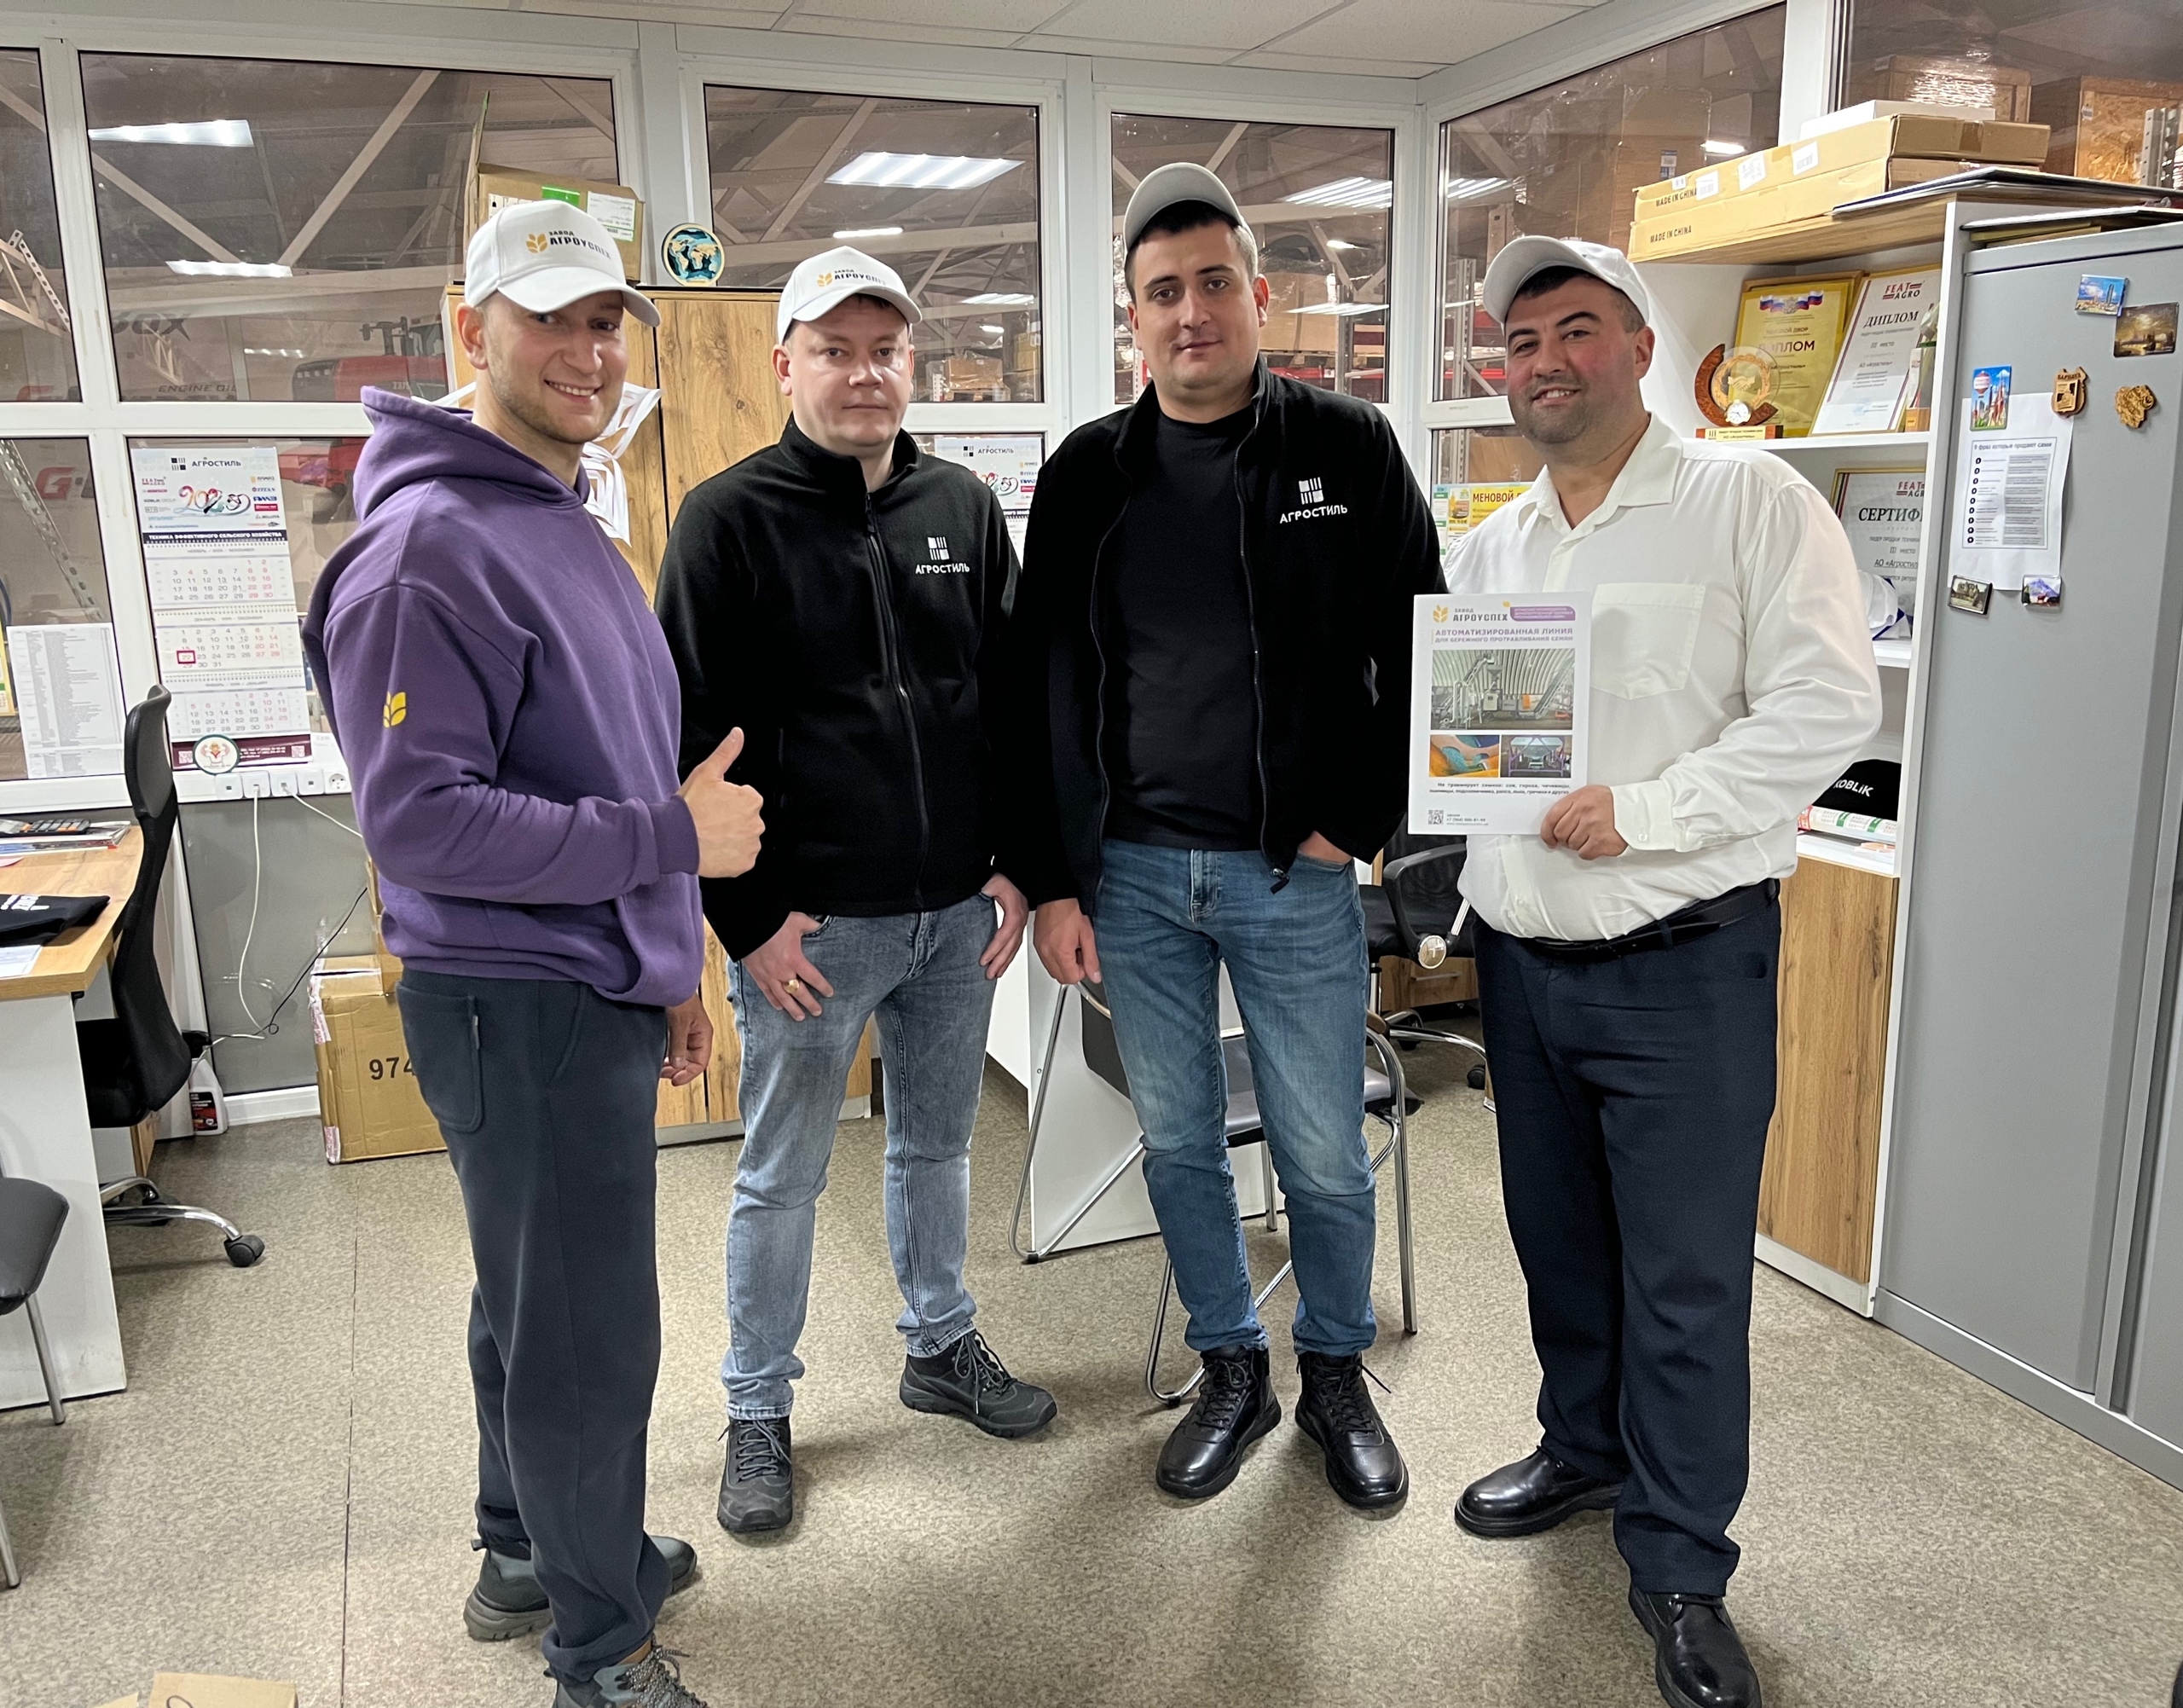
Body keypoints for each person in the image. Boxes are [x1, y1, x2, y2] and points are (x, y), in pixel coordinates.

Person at [303, 200, 763, 1708]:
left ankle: (531, 1551)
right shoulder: (427, 552)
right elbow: (421, 824)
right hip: (518, 999)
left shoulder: (558, 514)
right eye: (548, 316)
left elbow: (600, 758)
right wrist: (671, 844)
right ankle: (601, 1650)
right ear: (470, 328)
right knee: (585, 1335)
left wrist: (669, 962)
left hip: (583, 982)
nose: (586, 348)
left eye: (604, 320)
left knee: (533, 1296)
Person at [1444, 236, 1881, 1708]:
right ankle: (1583, 1450)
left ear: (1640, 347)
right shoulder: (1494, 549)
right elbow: (1480, 752)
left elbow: (1828, 707)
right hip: (1524, 969)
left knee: (1685, 1282)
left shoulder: (1749, 504)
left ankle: (1682, 1561)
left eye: (1576, 330)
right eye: (1522, 343)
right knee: (1560, 1248)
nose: (1545, 362)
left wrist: (1651, 810)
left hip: (1684, 969)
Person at [1010, 164, 1439, 1508]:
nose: (1189, 311)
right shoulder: (1086, 473)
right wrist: (1057, 878)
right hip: (1132, 876)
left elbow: (1424, 646)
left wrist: (1352, 824)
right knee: (1182, 1141)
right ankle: (1231, 1368)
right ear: (1131, 318)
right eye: (1161, 292)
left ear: (1258, 295)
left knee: (1321, 1148)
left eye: (1212, 283)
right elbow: (1043, 687)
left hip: (1289, 875)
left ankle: (1335, 1374)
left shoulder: (1347, 448)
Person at [655, 246, 1054, 1538]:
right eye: (835, 350)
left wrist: (1017, 864)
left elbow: (1006, 701)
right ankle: (757, 1407)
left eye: (885, 350)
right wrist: (748, 923)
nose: (864, 373)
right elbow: (688, 742)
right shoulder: (726, 521)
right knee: (781, 1175)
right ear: (787, 366)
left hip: (953, 919)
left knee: (937, 1146)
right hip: (812, 930)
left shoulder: (960, 507)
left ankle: (940, 1344)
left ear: (910, 363)